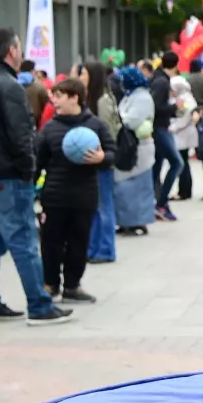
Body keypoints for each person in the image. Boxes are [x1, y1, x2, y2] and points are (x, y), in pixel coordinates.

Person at [0, 28, 72, 325]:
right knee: (23, 239)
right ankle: (38, 304)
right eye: (20, 48)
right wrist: (28, 170)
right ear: (11, 51)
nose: (22, 52)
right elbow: (20, 135)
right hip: (7, 174)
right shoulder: (8, 86)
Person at [36, 77, 116, 304]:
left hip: (84, 195)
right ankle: (50, 284)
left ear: (75, 98)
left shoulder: (95, 126)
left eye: (59, 96)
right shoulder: (50, 128)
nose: (54, 101)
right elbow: (38, 162)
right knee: (51, 243)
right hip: (55, 196)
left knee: (79, 242)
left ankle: (73, 285)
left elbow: (112, 154)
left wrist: (102, 158)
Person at [77, 61, 120, 264]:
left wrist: (101, 153)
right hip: (91, 161)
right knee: (93, 207)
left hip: (101, 161)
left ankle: (105, 249)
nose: (80, 76)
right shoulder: (92, 99)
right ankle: (93, 248)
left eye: (83, 73)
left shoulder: (102, 101)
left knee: (104, 207)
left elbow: (109, 133)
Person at [113, 67, 157, 234]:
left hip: (139, 148)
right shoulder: (130, 95)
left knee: (137, 187)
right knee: (124, 187)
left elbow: (132, 120)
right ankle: (125, 221)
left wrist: (117, 119)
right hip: (129, 146)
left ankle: (137, 221)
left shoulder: (143, 97)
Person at [150, 52, 184, 220]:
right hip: (159, 128)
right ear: (177, 64)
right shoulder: (162, 82)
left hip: (158, 127)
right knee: (177, 163)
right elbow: (155, 107)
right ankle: (161, 203)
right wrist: (174, 107)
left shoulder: (159, 78)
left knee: (155, 169)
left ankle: (156, 203)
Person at [168, 75, 198, 201]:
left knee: (182, 163)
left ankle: (183, 191)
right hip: (184, 133)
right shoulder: (187, 97)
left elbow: (183, 118)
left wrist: (173, 127)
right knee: (184, 162)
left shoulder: (184, 99)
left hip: (183, 134)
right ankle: (186, 190)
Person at [18, 59, 51, 132]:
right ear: (33, 71)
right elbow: (46, 107)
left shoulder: (12, 84)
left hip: (16, 125)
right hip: (35, 125)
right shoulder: (40, 86)